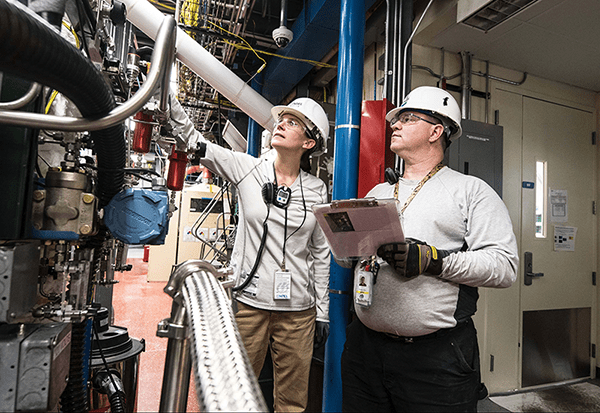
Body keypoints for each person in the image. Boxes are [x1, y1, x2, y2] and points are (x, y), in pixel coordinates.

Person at [341, 86, 519, 412]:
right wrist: (347, 250)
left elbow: (504, 266)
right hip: (364, 351)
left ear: (436, 131)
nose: (394, 124)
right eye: (396, 120)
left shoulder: (471, 191)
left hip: (435, 360)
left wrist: (432, 260)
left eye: (407, 118)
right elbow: (355, 256)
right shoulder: (380, 190)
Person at [168, 95, 331, 412]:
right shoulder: (248, 168)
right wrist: (169, 105)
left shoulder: (316, 189)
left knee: (293, 402)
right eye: (281, 119)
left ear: (309, 143)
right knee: (233, 392)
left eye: (292, 122)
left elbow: (320, 254)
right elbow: (196, 144)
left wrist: (322, 312)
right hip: (249, 306)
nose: (280, 124)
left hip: (299, 312)